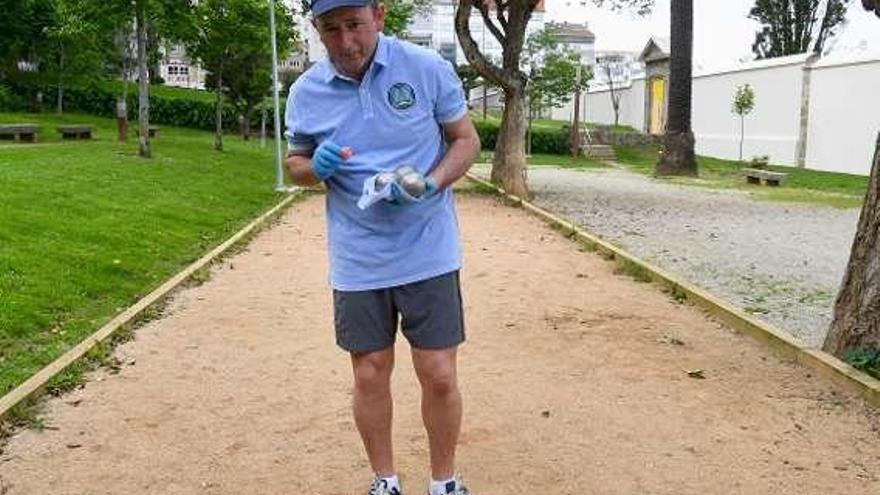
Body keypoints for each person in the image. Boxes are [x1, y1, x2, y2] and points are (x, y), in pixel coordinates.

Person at [283, 0, 481, 494]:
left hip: (428, 248)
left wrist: (431, 184)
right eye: (331, 30)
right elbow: (295, 165)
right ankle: (385, 480)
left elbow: (465, 140)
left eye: (354, 25)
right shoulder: (306, 92)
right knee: (370, 374)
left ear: (380, 16)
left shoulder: (426, 69)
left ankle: (444, 482)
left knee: (437, 371)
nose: (345, 42)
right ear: (317, 29)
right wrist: (316, 168)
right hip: (358, 256)